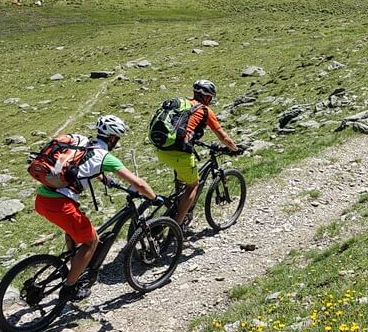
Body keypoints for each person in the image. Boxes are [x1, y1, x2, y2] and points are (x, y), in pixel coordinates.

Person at [34, 115, 157, 300]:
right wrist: (155, 197)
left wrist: (104, 179)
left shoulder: (84, 145)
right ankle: (70, 287)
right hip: (60, 204)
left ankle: (73, 260)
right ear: (112, 138)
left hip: (43, 198)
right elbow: (137, 183)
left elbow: (81, 167)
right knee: (92, 241)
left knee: (76, 230)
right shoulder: (105, 156)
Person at [156, 80, 241, 226]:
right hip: (179, 154)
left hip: (162, 149)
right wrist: (235, 149)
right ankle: (177, 226)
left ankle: (178, 206)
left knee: (182, 178)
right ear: (207, 97)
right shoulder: (205, 111)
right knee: (193, 185)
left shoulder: (183, 104)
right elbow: (223, 137)